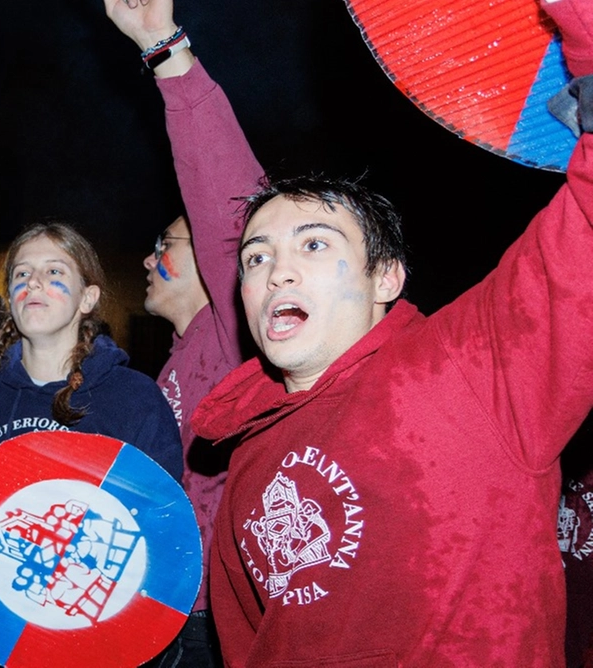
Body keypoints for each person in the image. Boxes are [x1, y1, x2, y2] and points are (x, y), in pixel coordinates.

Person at [180, 0, 593, 662]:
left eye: (313, 245)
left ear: (387, 279)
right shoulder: (246, 453)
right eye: (256, 257)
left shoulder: (473, 368)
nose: (277, 271)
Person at [102, 0, 262, 662]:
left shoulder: (236, 333)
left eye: (163, 245)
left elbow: (226, 202)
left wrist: (165, 50)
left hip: (215, 616)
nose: (146, 260)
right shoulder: (169, 368)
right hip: (157, 605)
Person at [0, 222, 182, 479]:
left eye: (53, 271)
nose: (33, 282)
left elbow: (160, 510)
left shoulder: (135, 399)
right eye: (21, 274)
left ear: (87, 298)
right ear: (10, 298)